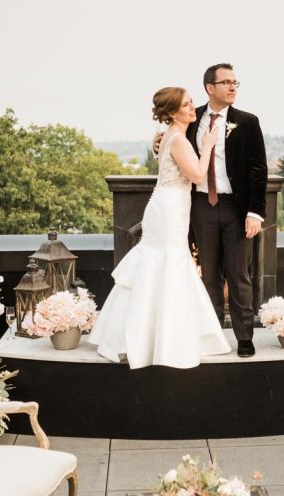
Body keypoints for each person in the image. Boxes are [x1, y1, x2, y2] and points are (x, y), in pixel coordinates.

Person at [88, 87, 232, 369]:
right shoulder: (177, 139)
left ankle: (156, 335)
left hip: (171, 206)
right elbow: (198, 174)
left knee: (163, 262)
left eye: (192, 103)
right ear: (172, 112)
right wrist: (209, 144)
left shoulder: (169, 136)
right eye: (187, 105)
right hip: (169, 209)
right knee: (167, 262)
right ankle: (156, 340)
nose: (193, 108)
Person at [156, 63, 267, 357]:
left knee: (238, 274)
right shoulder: (192, 119)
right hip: (201, 206)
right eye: (226, 82)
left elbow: (259, 170)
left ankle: (244, 337)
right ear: (210, 88)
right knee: (208, 276)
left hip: (235, 208)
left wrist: (255, 212)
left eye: (235, 82)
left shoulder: (248, 122)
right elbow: (171, 140)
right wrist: (157, 143)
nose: (232, 87)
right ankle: (213, 334)